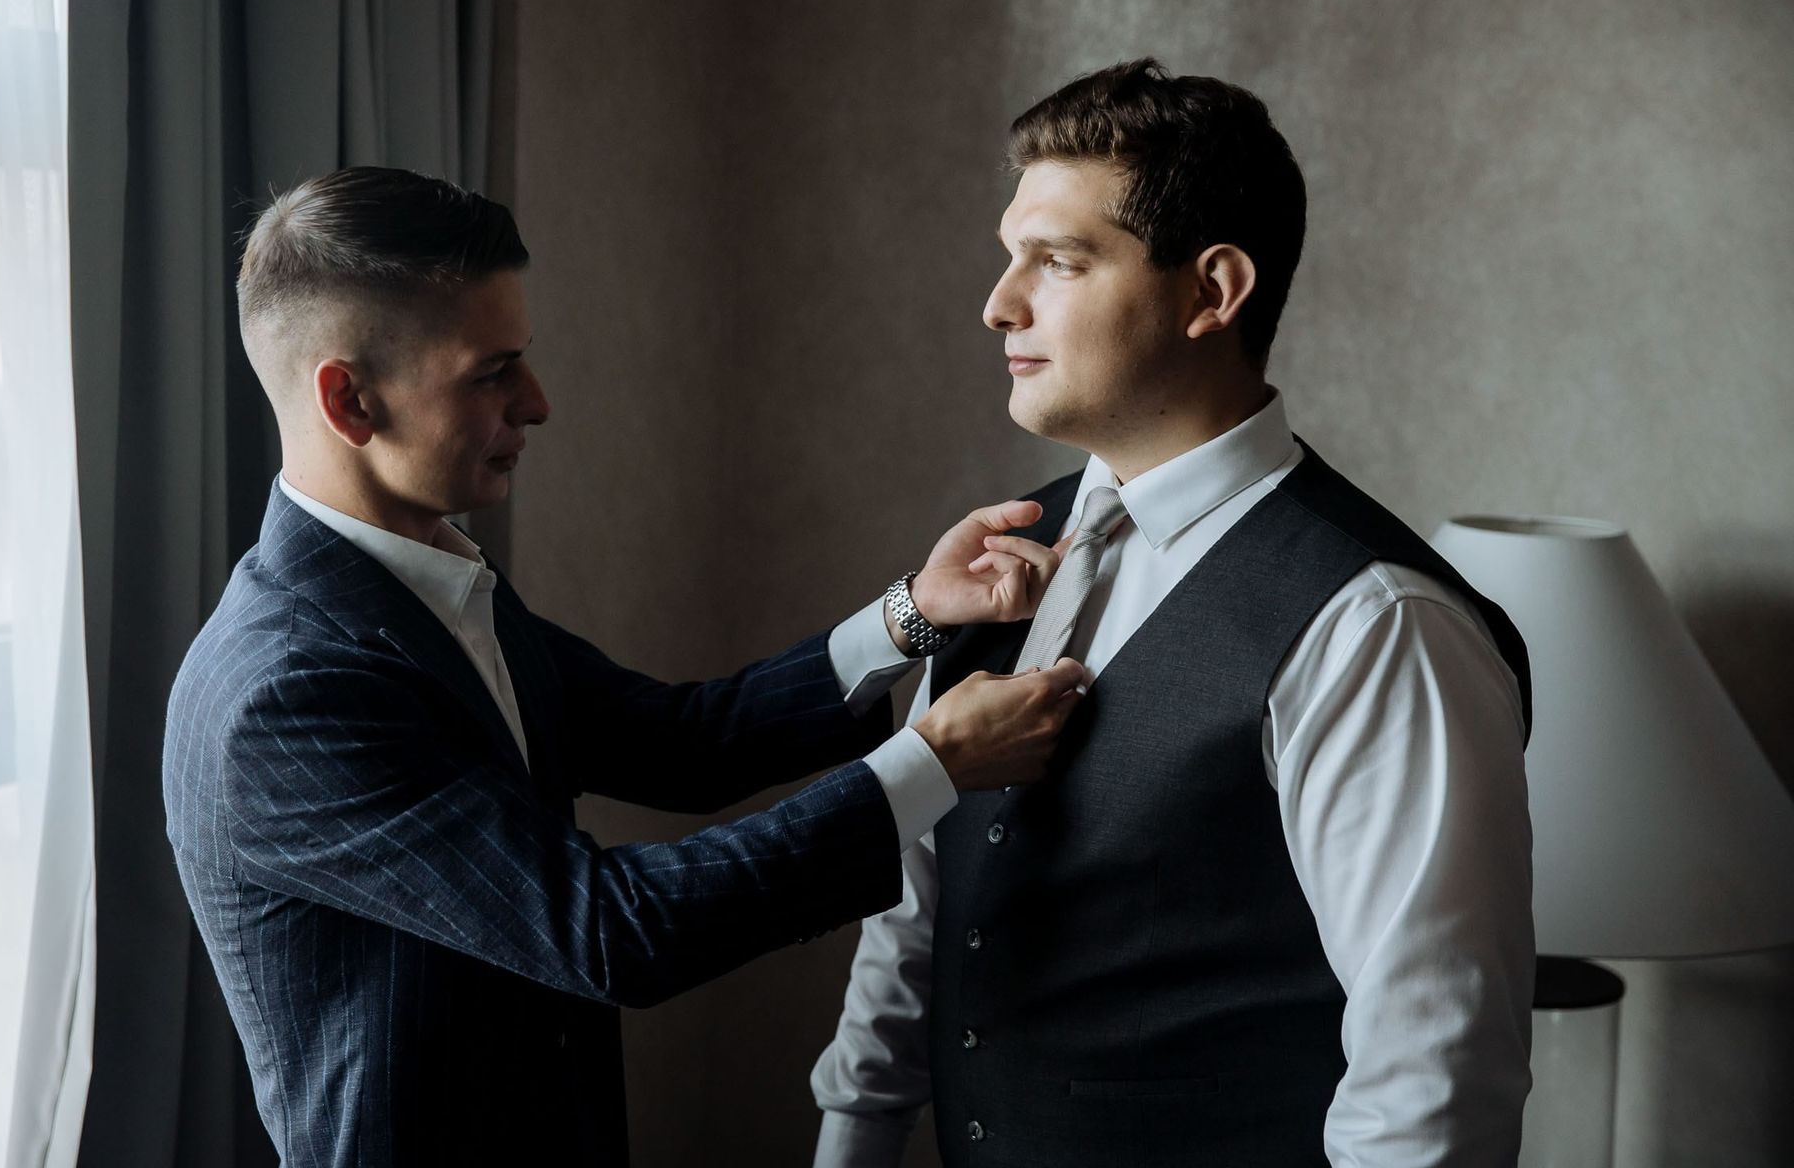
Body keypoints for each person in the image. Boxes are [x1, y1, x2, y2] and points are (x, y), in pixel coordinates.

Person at [162, 166, 1087, 1167]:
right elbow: (611, 929)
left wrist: (911, 614)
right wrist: (934, 763)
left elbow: (683, 740)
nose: (540, 401)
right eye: (492, 371)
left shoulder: (436, 585)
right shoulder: (288, 690)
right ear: (348, 398)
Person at [810, 59, 1537, 1167]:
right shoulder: (1000, 554)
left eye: (1057, 260)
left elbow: (1431, 1075)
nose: (999, 303)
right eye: (1012, 256)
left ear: (1213, 291)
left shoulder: (1378, 625)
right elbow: (912, 920)